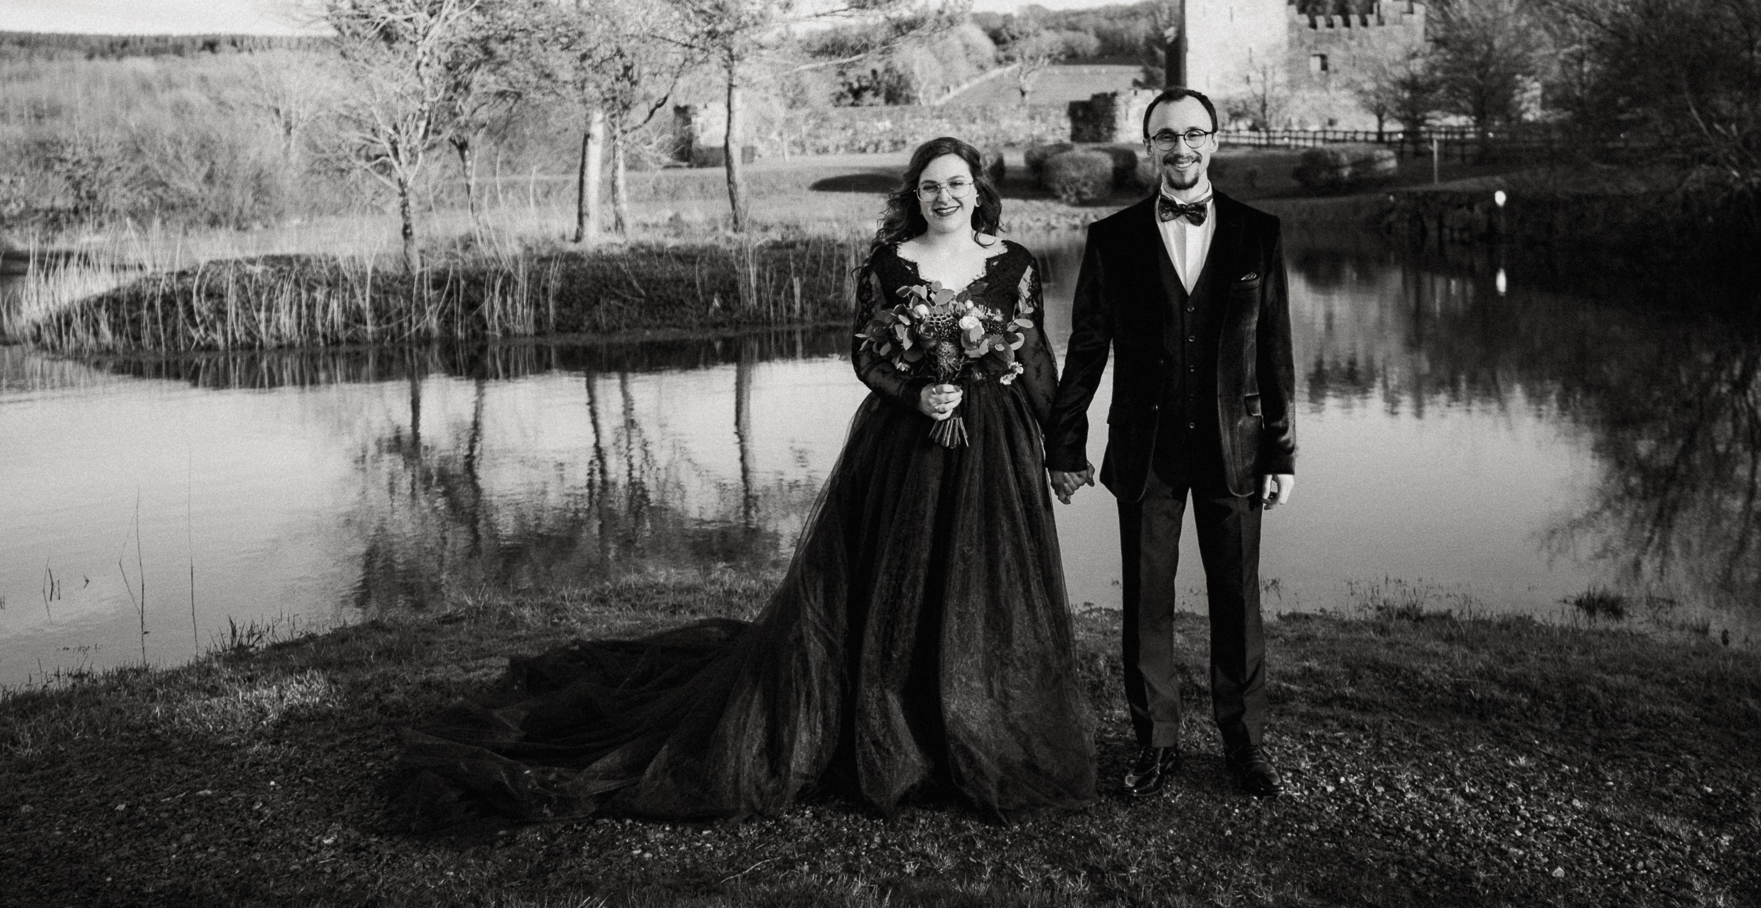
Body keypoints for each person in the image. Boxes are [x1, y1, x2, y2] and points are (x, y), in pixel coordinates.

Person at [400, 137, 1095, 830]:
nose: (944, 196)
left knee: (981, 584)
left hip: (994, 448)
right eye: (929, 187)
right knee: (899, 583)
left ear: (979, 189)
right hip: (906, 448)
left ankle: (981, 720)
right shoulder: (891, 264)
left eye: (956, 184)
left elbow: (1034, 357)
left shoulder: (1014, 263)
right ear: (913, 197)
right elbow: (863, 353)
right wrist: (916, 395)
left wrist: (1062, 446)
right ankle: (901, 731)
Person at [1044, 87, 1296, 800]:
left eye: (1193, 134)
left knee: (1237, 600)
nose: (1179, 147)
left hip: (1236, 446)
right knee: (1147, 602)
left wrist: (1282, 452)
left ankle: (1244, 745)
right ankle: (1155, 743)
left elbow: (1274, 353)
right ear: (1147, 144)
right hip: (1146, 448)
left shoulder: (1259, 232)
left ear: (1214, 141)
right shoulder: (1113, 238)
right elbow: (1087, 349)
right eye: (1165, 136)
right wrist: (1065, 443)